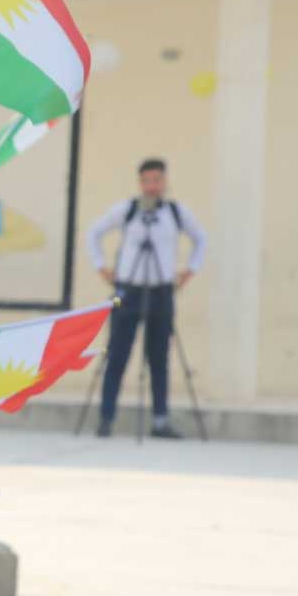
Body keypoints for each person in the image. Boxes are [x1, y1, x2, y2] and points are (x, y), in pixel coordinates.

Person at [85, 157, 207, 438]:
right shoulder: (127, 211)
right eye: (147, 181)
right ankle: (106, 418)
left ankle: (160, 421)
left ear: (165, 182)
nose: (152, 186)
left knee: (159, 359)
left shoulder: (175, 213)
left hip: (161, 292)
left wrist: (190, 270)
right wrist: (101, 267)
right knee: (117, 355)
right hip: (128, 291)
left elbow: (201, 238)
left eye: (157, 180)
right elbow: (93, 232)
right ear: (140, 183)